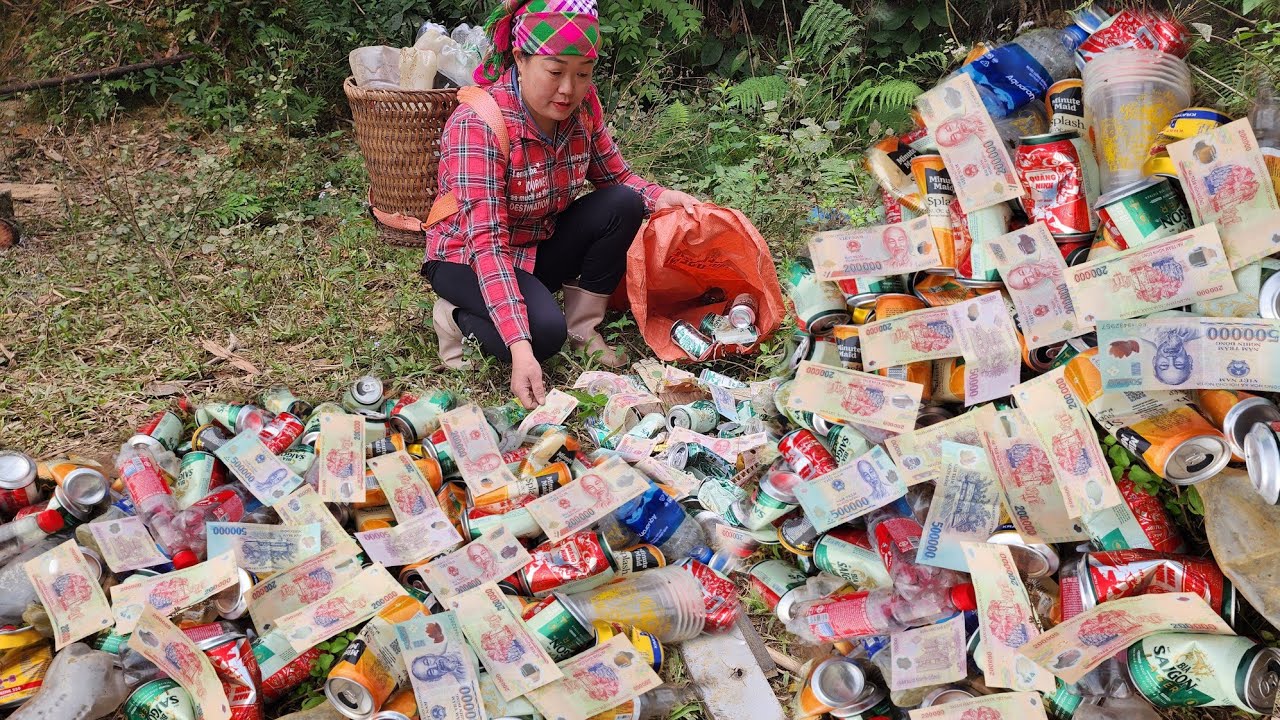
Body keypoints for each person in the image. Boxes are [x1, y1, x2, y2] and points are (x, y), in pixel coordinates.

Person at [423, 0, 698, 409]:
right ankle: (455, 318)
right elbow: (488, 244)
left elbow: (617, 179)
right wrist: (519, 349)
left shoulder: (582, 111)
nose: (568, 89)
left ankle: (583, 328)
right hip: (466, 254)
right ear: (520, 58)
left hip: (534, 244)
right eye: (555, 72)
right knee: (541, 337)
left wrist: (661, 198)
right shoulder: (478, 124)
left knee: (622, 203)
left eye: (582, 74)